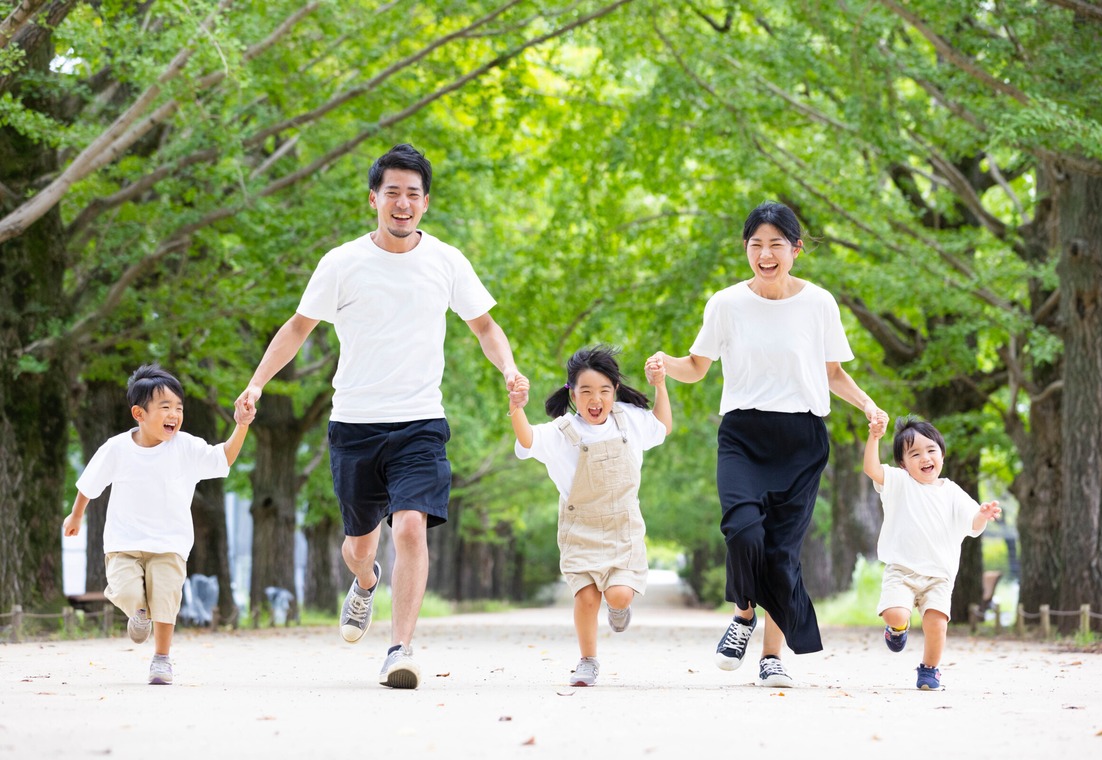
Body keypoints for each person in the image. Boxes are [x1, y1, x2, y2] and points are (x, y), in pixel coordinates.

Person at [236, 143, 522, 690]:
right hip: (355, 425)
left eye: (413, 194)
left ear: (426, 203)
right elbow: (298, 328)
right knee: (359, 545)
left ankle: (399, 649)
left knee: (411, 526)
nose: (402, 203)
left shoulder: (446, 260)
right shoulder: (341, 263)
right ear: (374, 199)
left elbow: (485, 326)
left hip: (420, 421)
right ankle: (365, 584)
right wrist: (257, 382)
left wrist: (508, 368)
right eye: (392, 192)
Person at [648, 201, 885, 687]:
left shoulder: (819, 303)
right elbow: (696, 367)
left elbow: (833, 372)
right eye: (756, 244)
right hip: (743, 434)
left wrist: (866, 405)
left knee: (780, 552)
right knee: (742, 530)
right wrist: (663, 364)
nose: (766, 254)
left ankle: (771, 658)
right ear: (746, 249)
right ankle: (742, 615)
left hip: (802, 439)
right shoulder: (726, 304)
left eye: (776, 244)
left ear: (796, 249)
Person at [62, 364, 253, 685]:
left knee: (165, 599)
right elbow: (89, 483)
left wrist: (241, 425)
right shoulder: (117, 448)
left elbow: (224, 458)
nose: (174, 415)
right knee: (123, 589)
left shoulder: (187, 447)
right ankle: (138, 613)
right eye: (165, 407)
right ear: (139, 413)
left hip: (170, 543)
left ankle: (162, 659)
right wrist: (76, 514)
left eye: (179, 408)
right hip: (124, 542)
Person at [508, 346, 671, 687]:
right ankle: (587, 661)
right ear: (572, 393)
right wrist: (516, 408)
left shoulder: (629, 420)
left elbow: (662, 426)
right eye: (586, 391)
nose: (595, 399)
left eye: (604, 391)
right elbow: (526, 439)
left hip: (623, 527)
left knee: (619, 595)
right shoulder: (562, 431)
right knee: (585, 597)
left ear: (614, 390)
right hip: (579, 528)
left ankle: (618, 609)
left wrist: (660, 385)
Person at [863, 414, 1001, 690]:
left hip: (939, 576)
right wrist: (874, 437)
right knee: (895, 614)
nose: (925, 457)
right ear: (903, 463)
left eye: (931, 450)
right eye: (914, 453)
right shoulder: (899, 482)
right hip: (902, 571)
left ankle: (929, 669)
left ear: (942, 455)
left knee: (937, 624)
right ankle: (897, 630)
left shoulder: (952, 492)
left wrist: (983, 515)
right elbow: (872, 468)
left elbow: (971, 523)